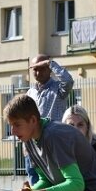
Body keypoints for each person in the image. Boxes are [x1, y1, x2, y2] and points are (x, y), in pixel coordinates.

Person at [23, 55, 74, 184]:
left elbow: (68, 81)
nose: (38, 72)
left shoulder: (59, 88)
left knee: (54, 182)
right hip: (32, 148)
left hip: (52, 146)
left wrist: (51, 63)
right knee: (34, 181)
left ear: (49, 69)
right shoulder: (30, 92)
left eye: (42, 68)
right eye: (35, 69)